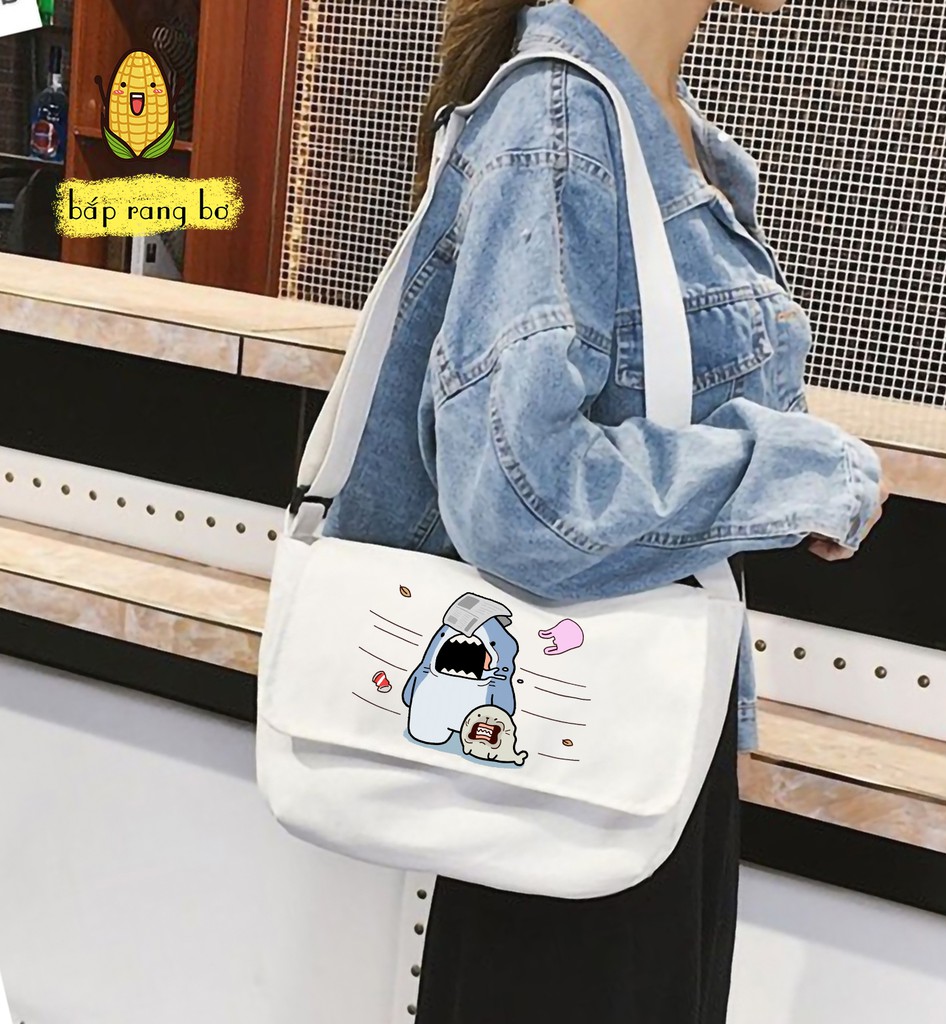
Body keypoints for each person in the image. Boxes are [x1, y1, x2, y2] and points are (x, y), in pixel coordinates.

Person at [322, 1, 888, 1020]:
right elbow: (521, 498)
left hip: (635, 741)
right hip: (568, 750)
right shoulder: (557, 121)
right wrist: (789, 474)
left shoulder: (652, 123)